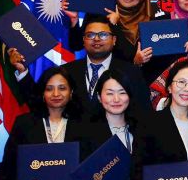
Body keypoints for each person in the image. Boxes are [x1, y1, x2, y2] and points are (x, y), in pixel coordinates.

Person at [12, 15, 150, 116]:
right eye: (90, 35)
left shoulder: (131, 72)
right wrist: (23, 72)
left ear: (114, 40)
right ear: (83, 40)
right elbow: (39, 104)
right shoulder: (66, 71)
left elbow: (144, 112)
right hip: (75, 144)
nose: (96, 39)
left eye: (103, 35)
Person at [63, 0, 154, 65]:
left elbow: (131, 56)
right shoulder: (99, 13)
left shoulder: (149, 24)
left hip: (129, 72)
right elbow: (76, 45)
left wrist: (114, 25)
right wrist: (74, 19)